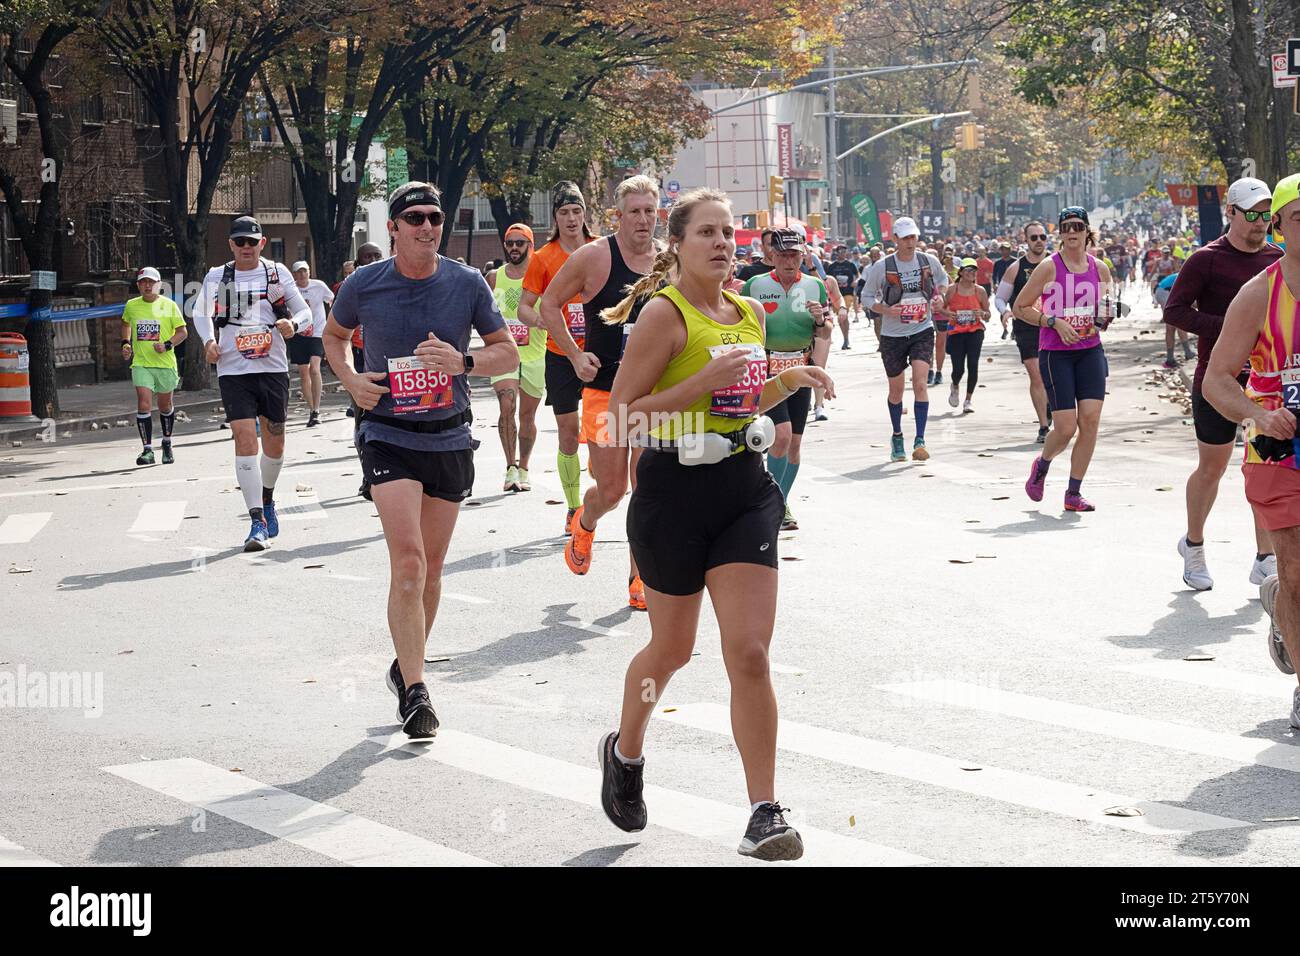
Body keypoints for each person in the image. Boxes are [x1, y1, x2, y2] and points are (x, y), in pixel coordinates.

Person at [597, 187, 835, 860]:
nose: (722, 242)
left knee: (751, 654)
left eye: (729, 232)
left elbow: (741, 398)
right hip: (672, 492)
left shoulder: (751, 311)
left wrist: (788, 383)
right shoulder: (661, 318)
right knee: (670, 653)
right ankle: (626, 749)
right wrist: (700, 382)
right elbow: (622, 418)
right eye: (707, 232)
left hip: (742, 487)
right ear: (678, 243)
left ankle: (763, 810)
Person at [323, 181, 518, 739]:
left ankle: (404, 663)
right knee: (408, 561)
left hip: (449, 436)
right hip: (387, 432)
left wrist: (465, 361)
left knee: (431, 568)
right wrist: (351, 379)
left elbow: (503, 347)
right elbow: (334, 336)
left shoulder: (466, 282)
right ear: (394, 228)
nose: (428, 226)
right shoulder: (365, 283)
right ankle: (416, 691)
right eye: (415, 218)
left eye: (435, 216)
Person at [1204, 172, 1300, 726]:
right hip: (1277, 448)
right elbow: (1217, 379)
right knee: (1296, 565)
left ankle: (1283, 608)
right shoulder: (1259, 293)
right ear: (1280, 227)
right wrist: (1259, 414)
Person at [540, 175, 657, 609]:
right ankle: (585, 524)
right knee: (612, 491)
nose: (643, 220)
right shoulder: (595, 257)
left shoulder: (669, 261)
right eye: (635, 212)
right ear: (618, 216)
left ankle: (640, 578)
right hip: (606, 392)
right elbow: (548, 305)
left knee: (649, 490)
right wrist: (573, 355)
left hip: (654, 396)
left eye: (650, 210)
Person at [1165, 178, 1280, 591]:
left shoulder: (1277, 258)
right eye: (1251, 214)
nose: (1259, 222)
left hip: (1262, 387)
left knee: (1263, 466)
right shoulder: (1206, 259)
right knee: (1212, 468)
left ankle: (1265, 557)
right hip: (1216, 383)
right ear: (1230, 212)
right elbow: (1174, 311)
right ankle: (1193, 545)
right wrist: (1231, 329)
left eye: (1266, 214)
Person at [193, 216, 312, 551]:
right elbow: (200, 312)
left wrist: (293, 322)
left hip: (272, 368)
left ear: (262, 242)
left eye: (252, 242)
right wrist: (208, 341)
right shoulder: (218, 276)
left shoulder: (276, 273)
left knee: (275, 445)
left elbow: (305, 312)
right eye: (239, 242)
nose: (246, 247)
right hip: (233, 369)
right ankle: (256, 520)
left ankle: (268, 498)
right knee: (245, 440)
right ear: (231, 244)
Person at [1018, 207, 1114, 513]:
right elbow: (1022, 307)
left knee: (1091, 421)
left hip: (1089, 351)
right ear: (1060, 233)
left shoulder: (1100, 269)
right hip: (1055, 354)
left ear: (1087, 230)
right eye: (1065, 227)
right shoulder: (1048, 267)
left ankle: (1073, 492)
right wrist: (1053, 322)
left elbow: (1106, 307)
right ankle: (1042, 465)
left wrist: (1105, 316)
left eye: (1077, 226)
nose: (1071, 232)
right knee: (1065, 427)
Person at [518, 182, 598, 535]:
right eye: (564, 213)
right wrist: (544, 320)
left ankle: (601, 472)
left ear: (584, 215)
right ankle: (572, 506)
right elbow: (523, 307)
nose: (570, 219)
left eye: (576, 212)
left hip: (599, 352)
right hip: (560, 354)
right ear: (555, 217)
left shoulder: (600, 250)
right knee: (568, 431)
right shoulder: (543, 257)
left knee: (602, 430)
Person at [742, 227, 832, 530]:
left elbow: (825, 331)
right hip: (767, 369)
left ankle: (780, 503)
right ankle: (768, 503)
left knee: (793, 444)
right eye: (782, 255)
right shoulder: (754, 285)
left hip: (800, 367)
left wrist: (821, 319)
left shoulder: (815, 286)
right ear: (772, 255)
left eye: (794, 254)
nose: (789, 261)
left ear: (803, 255)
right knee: (780, 434)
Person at [862, 216, 948, 462]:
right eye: (906, 238)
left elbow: (942, 281)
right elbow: (866, 297)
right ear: (895, 239)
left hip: (921, 329)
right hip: (892, 335)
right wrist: (886, 310)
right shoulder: (883, 267)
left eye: (914, 237)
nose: (911, 242)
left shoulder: (928, 261)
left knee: (920, 383)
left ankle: (920, 439)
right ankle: (897, 435)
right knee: (896, 391)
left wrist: (939, 297)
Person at [487, 224, 544, 493]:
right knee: (506, 406)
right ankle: (510, 468)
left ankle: (524, 467)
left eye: (520, 243)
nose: (514, 248)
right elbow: (483, 314)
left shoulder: (543, 277)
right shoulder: (494, 278)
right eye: (510, 243)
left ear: (530, 246)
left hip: (536, 354)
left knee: (527, 415)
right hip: (504, 355)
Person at [121, 266, 187, 465]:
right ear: (138, 285)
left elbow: (183, 332)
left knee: (165, 405)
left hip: (165, 364)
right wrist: (125, 344)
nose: (147, 286)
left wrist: (167, 345)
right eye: (143, 282)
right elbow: (126, 324)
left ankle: (166, 443)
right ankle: (147, 450)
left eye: (151, 282)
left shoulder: (169, 305)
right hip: (141, 363)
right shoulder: (132, 305)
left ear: (159, 285)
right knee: (144, 403)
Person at [995, 222, 1052, 443]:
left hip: (1053, 325)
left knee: (1053, 373)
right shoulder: (1016, 268)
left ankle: (1051, 405)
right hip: (1026, 327)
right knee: (1036, 373)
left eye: (1042, 237)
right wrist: (1005, 311)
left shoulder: (1057, 264)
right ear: (1026, 241)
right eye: (1034, 237)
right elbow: (1000, 297)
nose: (1039, 241)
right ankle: (1044, 427)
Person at [288, 260, 334, 428]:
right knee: (303, 372)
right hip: (299, 332)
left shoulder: (319, 286)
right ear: (294, 274)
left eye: (304, 271)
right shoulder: (291, 288)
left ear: (309, 272)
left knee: (314, 368)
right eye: (298, 272)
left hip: (317, 332)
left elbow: (332, 299)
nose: (302, 275)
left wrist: (332, 321)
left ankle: (316, 409)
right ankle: (311, 410)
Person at [942, 258, 990, 414]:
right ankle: (955, 385)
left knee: (973, 365)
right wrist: (949, 314)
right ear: (961, 272)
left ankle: (968, 400)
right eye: (968, 270)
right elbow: (942, 309)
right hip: (956, 332)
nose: (972, 274)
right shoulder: (952, 289)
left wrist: (982, 313)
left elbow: (988, 314)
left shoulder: (980, 291)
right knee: (959, 369)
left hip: (975, 331)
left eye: (974, 271)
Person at [825, 246, 858, 350]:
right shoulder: (832, 266)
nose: (843, 253)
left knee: (845, 315)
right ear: (837, 253)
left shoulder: (850, 264)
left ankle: (846, 340)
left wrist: (855, 281)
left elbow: (858, 275)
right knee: (840, 318)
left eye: (845, 251)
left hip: (848, 292)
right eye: (841, 252)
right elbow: (827, 279)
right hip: (836, 295)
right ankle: (845, 338)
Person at [991, 242, 1016, 339]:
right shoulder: (998, 263)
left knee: (1014, 310)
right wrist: (995, 285)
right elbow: (994, 276)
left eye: (1007, 249)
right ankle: (1005, 329)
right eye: (1003, 249)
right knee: (1003, 310)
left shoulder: (1015, 261)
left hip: (1013, 288)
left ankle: (1014, 331)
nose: (1005, 251)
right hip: (1002, 288)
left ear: (1010, 250)